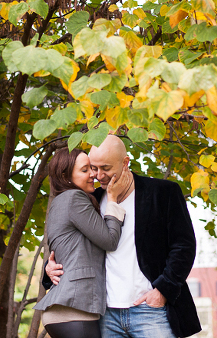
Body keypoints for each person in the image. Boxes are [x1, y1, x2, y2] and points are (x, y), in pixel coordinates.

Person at [44, 135, 201, 338]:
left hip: (150, 310)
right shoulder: (91, 199)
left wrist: (163, 291)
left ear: (125, 162)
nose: (98, 175)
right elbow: (72, 244)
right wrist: (49, 269)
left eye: (106, 168)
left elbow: (184, 247)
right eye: (93, 168)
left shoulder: (162, 193)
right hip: (105, 315)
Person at [34, 147, 133, 338]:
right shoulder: (74, 198)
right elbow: (110, 241)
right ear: (66, 176)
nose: (93, 175)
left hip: (69, 309)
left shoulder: (62, 201)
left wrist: (48, 268)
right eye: (85, 170)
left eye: (91, 168)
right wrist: (112, 199)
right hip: (74, 309)